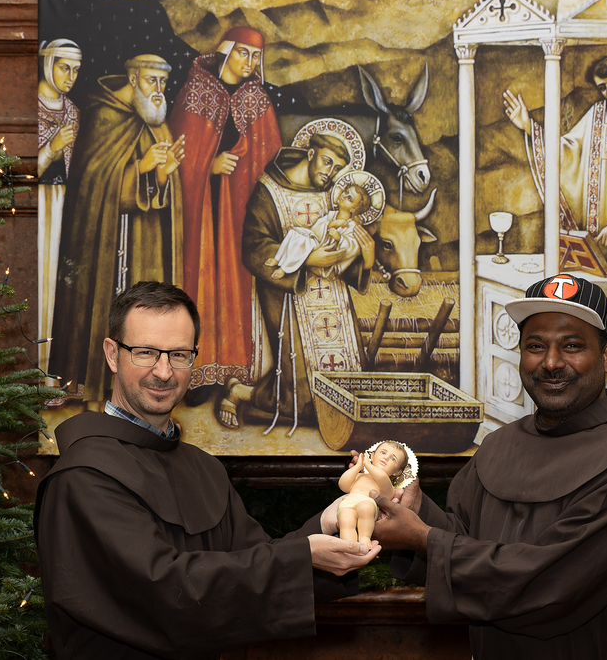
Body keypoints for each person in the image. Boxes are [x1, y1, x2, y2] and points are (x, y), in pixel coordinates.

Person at [34, 281, 380, 659]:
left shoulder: (204, 469)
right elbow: (165, 592)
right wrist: (304, 555)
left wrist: (328, 525)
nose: (164, 372)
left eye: (179, 355)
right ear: (113, 355)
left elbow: (257, 560)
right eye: (146, 353)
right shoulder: (84, 476)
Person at [366, 273, 607, 660]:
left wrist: (423, 539)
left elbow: (552, 585)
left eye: (572, 345)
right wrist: (416, 512)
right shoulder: (498, 445)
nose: (550, 362)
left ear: (606, 355)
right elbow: (466, 537)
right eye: (535, 346)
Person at [49, 55, 186, 405]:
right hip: (104, 246)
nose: (159, 90)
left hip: (144, 243)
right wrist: (142, 166)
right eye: (152, 80)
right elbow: (92, 182)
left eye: (163, 82)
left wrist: (162, 174)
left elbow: (157, 193)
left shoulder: (156, 122)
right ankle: (94, 388)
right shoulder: (102, 114)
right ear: (134, 78)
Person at [222, 131, 376, 432]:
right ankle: (240, 392)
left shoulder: (337, 195)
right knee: (304, 397)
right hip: (285, 292)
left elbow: (345, 250)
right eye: (327, 162)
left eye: (337, 168)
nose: (330, 173)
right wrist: (308, 259)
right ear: (310, 153)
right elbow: (254, 246)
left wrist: (366, 262)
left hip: (332, 298)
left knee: (346, 383)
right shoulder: (269, 190)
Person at [169, 26, 281, 391]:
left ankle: (233, 369)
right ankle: (196, 372)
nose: (249, 62)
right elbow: (179, 154)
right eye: (243, 53)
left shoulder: (257, 99)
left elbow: (270, 156)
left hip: (240, 210)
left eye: (256, 56)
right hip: (201, 210)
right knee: (198, 281)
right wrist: (210, 166)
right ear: (227, 51)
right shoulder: (196, 92)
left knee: (237, 281)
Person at [503, 54, 607, 276]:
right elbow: (568, 152)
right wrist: (529, 127)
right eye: (602, 88)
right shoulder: (598, 113)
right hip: (598, 237)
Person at [37, 38, 82, 381]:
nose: (70, 77)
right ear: (48, 63)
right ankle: (34, 368)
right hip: (37, 204)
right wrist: (52, 147)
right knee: (38, 283)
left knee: (58, 287)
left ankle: (51, 368)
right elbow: (25, 169)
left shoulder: (72, 111)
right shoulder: (31, 105)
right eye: (64, 67)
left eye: (76, 70)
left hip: (64, 202)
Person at [265, 183, 372, 279]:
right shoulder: (331, 215)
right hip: (318, 242)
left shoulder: (352, 227)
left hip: (326, 259)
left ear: (354, 209)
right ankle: (277, 258)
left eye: (349, 198)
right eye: (346, 191)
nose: (343, 196)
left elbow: (353, 247)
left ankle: (284, 269)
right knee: (293, 233)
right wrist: (331, 224)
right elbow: (316, 229)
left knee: (304, 242)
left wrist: (340, 238)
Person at [337, 440, 415, 546]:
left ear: (397, 472)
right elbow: (343, 485)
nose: (386, 458)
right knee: (345, 519)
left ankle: (365, 538)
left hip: (367, 503)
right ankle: (349, 545)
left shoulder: (386, 484)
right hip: (348, 501)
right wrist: (358, 467)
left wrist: (368, 465)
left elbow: (382, 476)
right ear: (372, 456)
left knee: (365, 507)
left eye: (393, 458)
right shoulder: (359, 476)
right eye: (383, 452)